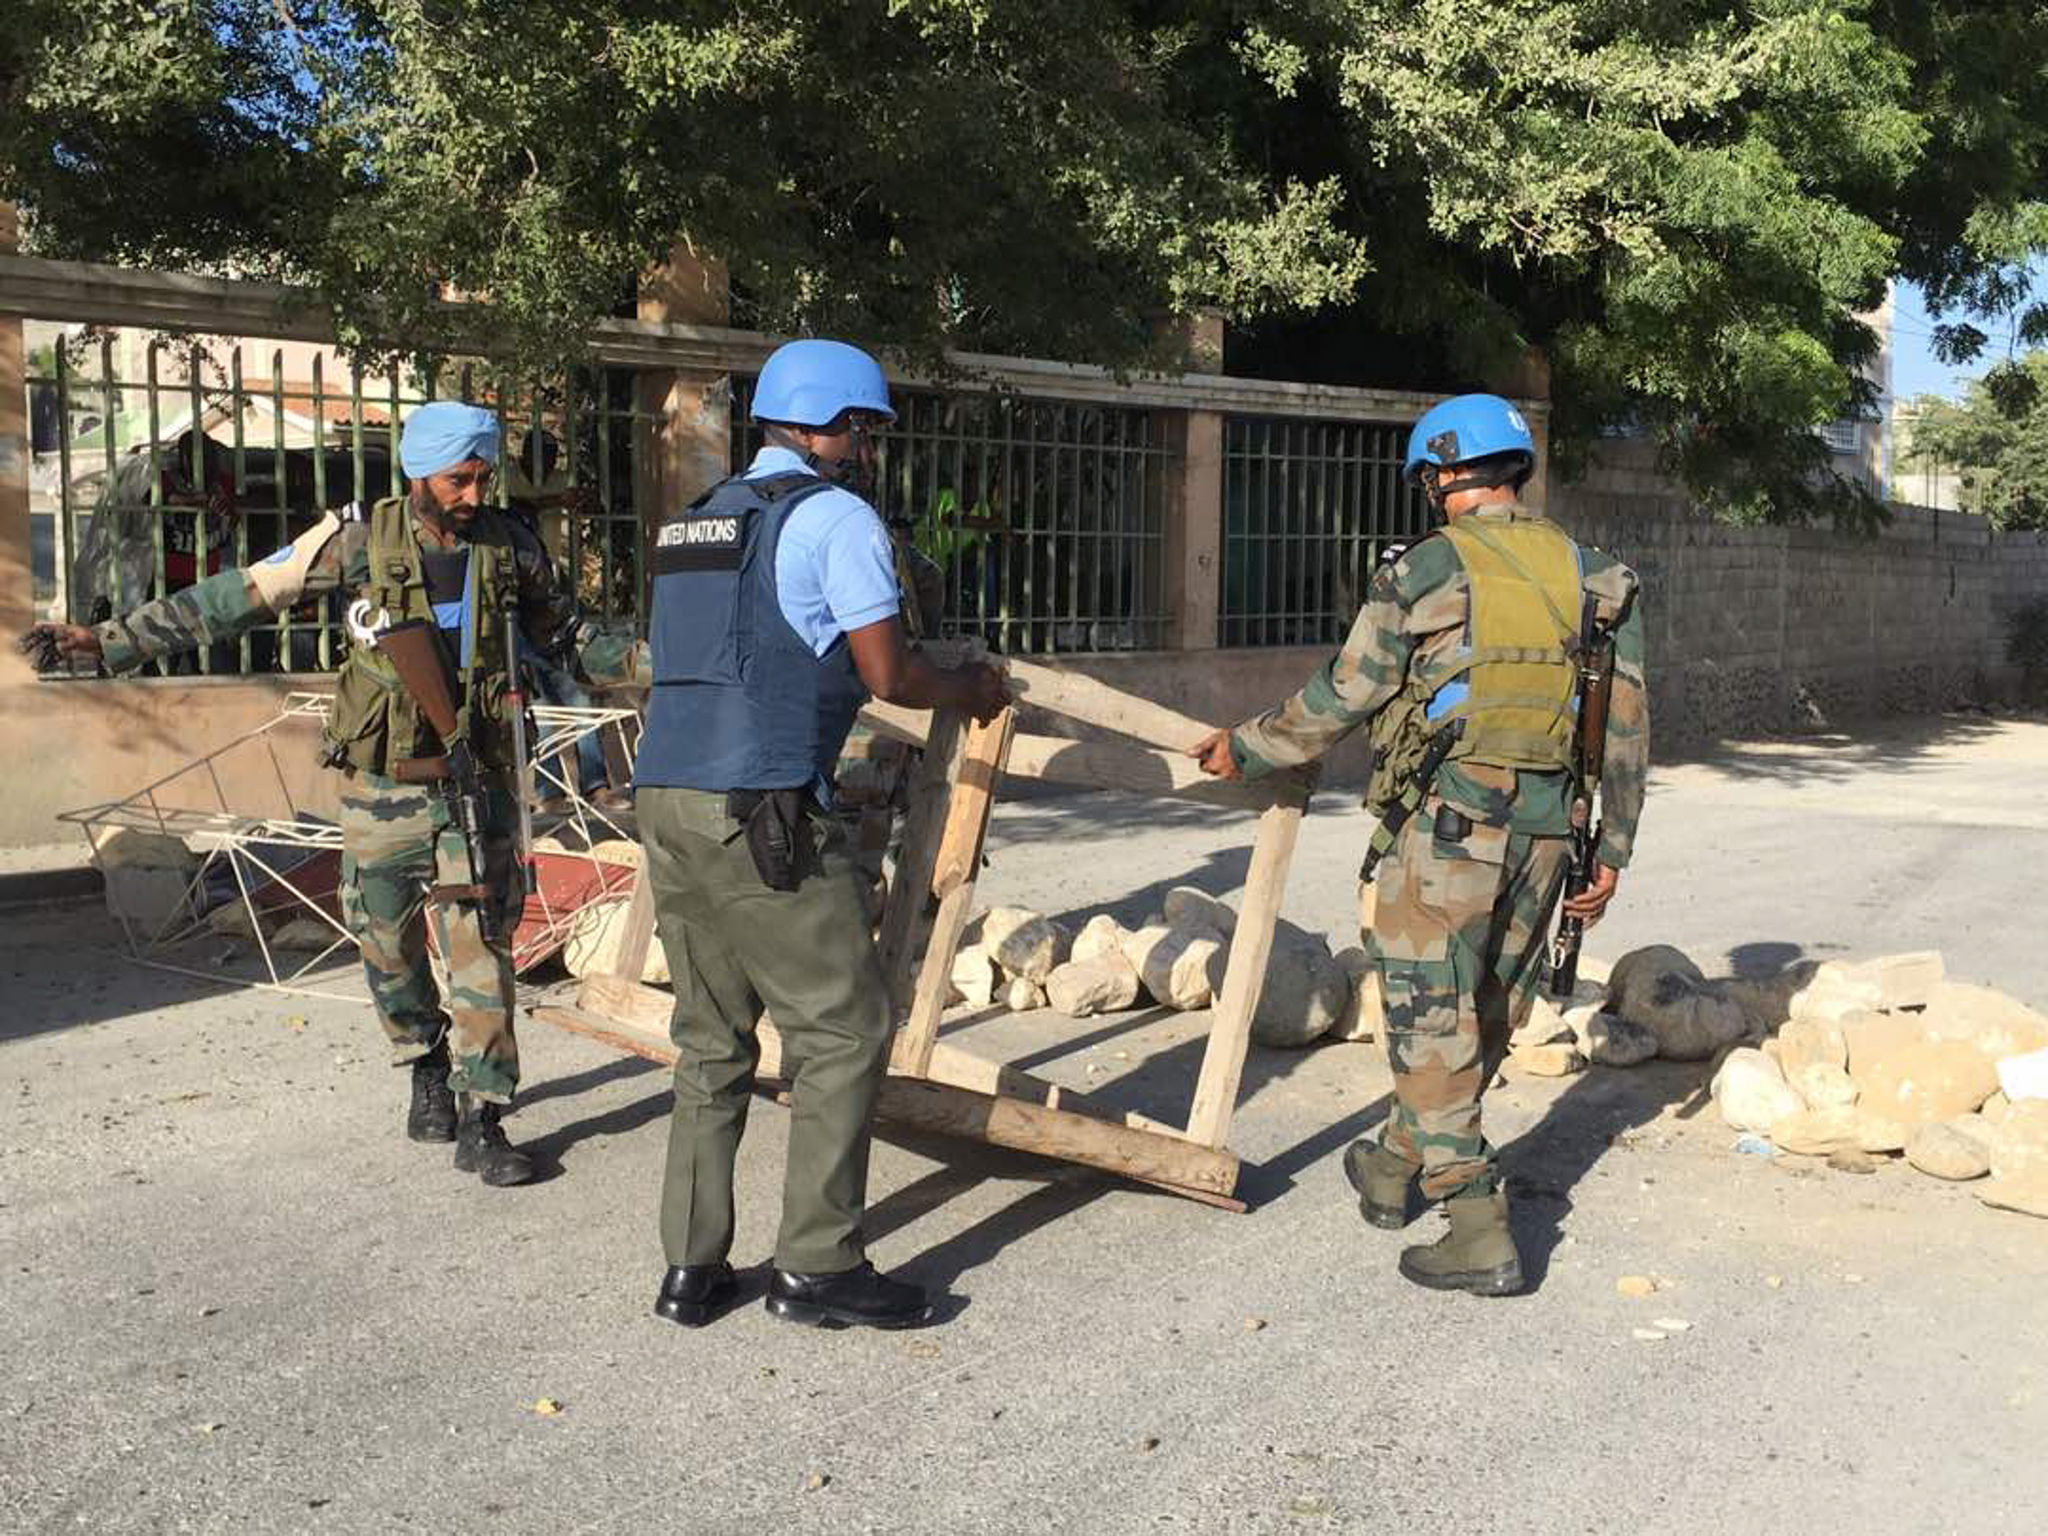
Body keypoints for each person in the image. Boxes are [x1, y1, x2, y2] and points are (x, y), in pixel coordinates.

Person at [21, 402, 641, 1188]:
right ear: (419, 473)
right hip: (383, 787)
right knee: (386, 946)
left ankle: (484, 1114)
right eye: (460, 479)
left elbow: (574, 639)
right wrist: (110, 641)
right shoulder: (356, 541)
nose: (474, 494)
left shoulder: (511, 547)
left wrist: (672, 662)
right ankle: (424, 1059)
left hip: (475, 783)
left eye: (483, 478)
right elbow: (241, 595)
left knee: (482, 944)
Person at [1192, 393, 1649, 1296]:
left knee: (1430, 1018)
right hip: (1550, 835)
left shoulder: (1427, 569)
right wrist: (1613, 849)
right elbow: (1627, 724)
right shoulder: (1601, 577)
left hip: (1448, 830)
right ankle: (1394, 1164)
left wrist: (1247, 747)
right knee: (1479, 1013)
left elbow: (1346, 692)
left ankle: (1476, 1223)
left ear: (1441, 475)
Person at [637, 338, 1007, 1331]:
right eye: (861, 431)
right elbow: (888, 673)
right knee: (843, 1029)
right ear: (825, 429)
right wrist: (966, 688)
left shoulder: (698, 519)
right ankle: (816, 1267)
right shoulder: (835, 517)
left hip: (664, 794)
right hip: (758, 804)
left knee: (709, 1040)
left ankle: (690, 1270)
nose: (868, 450)